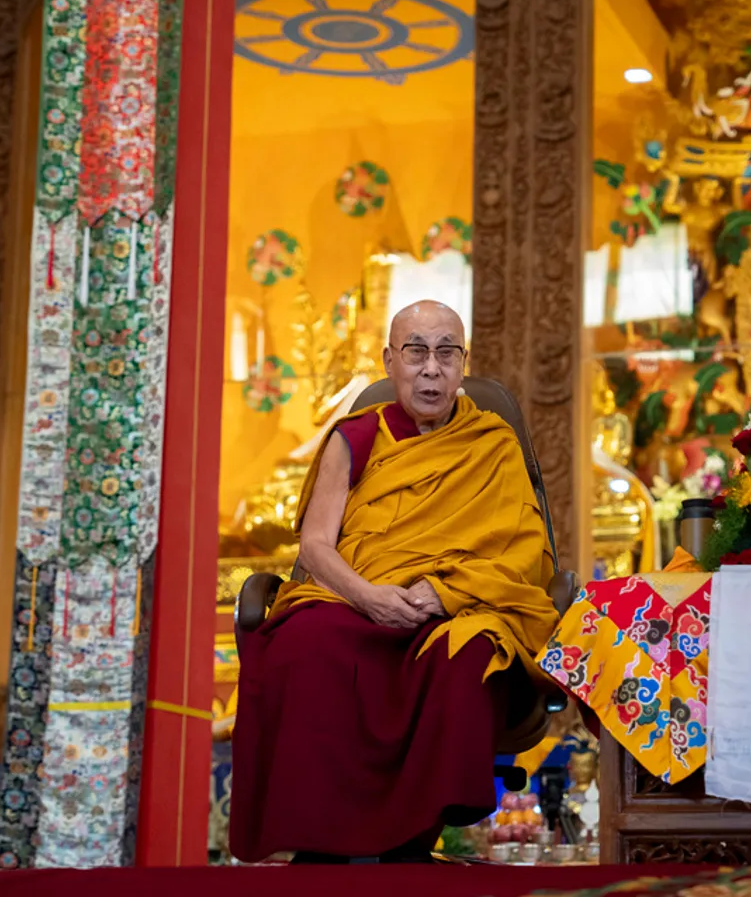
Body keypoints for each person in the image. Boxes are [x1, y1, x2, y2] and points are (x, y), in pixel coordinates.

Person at [230, 301, 559, 864]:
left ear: (462, 364)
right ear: (390, 361)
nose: (431, 368)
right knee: (303, 645)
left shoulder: (493, 444)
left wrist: (448, 593)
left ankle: (413, 841)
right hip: (358, 596)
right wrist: (369, 597)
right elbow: (315, 547)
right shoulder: (355, 437)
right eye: (416, 351)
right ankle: (318, 844)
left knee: (470, 652)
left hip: (455, 607)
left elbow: (524, 552)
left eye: (446, 352)